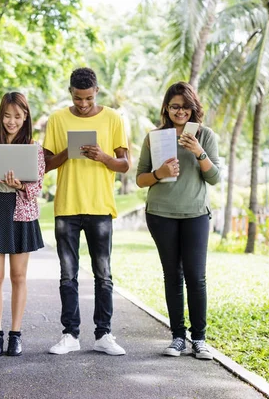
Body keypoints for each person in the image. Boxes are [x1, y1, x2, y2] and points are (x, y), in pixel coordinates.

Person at [43, 67, 129, 356]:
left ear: (97, 92)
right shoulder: (57, 119)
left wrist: (103, 157)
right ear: (71, 92)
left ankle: (104, 334)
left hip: (100, 206)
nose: (83, 104)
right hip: (67, 206)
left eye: (89, 98)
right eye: (78, 98)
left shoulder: (113, 118)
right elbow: (44, 164)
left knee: (103, 274)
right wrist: (68, 152)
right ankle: (70, 334)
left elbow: (125, 164)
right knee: (68, 274)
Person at [136, 81, 220, 360]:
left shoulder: (206, 136)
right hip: (161, 214)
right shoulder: (155, 137)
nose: (180, 111)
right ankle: (177, 338)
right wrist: (159, 173)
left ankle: (199, 339)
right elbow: (140, 179)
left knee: (196, 277)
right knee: (173, 276)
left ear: (193, 108)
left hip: (196, 214)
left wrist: (199, 152)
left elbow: (215, 177)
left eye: (185, 107)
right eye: (174, 106)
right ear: (167, 109)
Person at [0, 92, 45, 357]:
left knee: (18, 276)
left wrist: (20, 185)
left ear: (25, 117)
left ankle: (15, 334)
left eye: (17, 116)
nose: (11, 121)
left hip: (21, 212)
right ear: (0, 116)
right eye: (7, 115)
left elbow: (37, 187)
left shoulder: (34, 148)